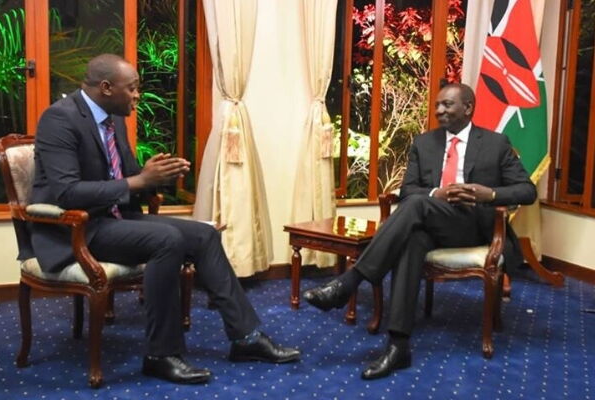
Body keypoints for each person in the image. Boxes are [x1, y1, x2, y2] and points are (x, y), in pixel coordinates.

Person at [30, 53, 300, 385]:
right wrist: (138, 182)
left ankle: (246, 338)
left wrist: (153, 177)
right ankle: (161, 354)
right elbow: (67, 192)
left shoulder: (113, 119)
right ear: (106, 87)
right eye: (132, 89)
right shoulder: (59, 119)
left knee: (204, 235)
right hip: (76, 229)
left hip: (113, 219)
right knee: (166, 240)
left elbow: (126, 177)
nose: (137, 95)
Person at [303, 83, 537, 380]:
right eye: (437, 104)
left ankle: (350, 282)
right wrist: (437, 193)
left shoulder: (495, 143)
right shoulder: (424, 143)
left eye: (447, 105)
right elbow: (408, 190)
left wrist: (487, 194)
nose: (439, 110)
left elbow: (527, 190)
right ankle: (399, 345)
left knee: (415, 207)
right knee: (412, 237)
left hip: (473, 226)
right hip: (432, 221)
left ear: (468, 108)